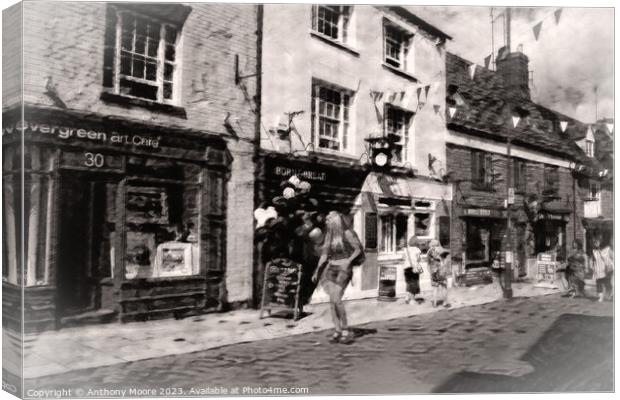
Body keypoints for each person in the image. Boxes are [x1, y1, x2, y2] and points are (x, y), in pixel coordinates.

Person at [312, 211, 363, 344]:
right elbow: (324, 253)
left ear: (335, 221)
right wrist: (317, 269)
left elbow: (357, 250)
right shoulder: (329, 235)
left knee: (336, 298)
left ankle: (345, 330)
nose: (326, 223)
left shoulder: (347, 233)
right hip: (331, 268)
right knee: (332, 301)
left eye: (328, 221)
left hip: (343, 269)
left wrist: (348, 261)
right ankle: (337, 330)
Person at [591, 235, 614, 302]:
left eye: (596, 242)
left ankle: (609, 295)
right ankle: (601, 297)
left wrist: (611, 265)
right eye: (594, 242)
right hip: (598, 269)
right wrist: (593, 267)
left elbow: (614, 256)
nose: (595, 243)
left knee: (607, 283)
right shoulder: (594, 251)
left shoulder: (607, 249)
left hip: (606, 269)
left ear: (601, 242)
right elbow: (593, 260)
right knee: (598, 283)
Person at [428, 240, 449, 308]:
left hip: (434, 272)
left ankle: (434, 303)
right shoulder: (442, 250)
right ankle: (445, 303)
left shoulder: (429, 252)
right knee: (444, 287)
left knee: (435, 288)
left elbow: (428, 263)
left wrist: (430, 271)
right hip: (442, 272)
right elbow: (445, 262)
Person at [403, 237, 424, 304]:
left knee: (408, 283)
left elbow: (403, 257)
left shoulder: (405, 249)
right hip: (414, 268)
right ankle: (412, 300)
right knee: (414, 284)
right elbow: (418, 259)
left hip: (406, 268)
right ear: (416, 242)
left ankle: (407, 297)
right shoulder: (417, 249)